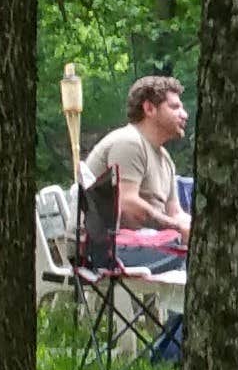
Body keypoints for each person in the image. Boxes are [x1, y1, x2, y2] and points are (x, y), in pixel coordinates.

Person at [81, 72, 191, 251]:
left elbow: (176, 212)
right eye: (175, 107)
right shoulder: (130, 142)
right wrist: (178, 228)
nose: (184, 114)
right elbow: (127, 206)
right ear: (149, 109)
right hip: (103, 252)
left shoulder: (166, 159)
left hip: (141, 247)